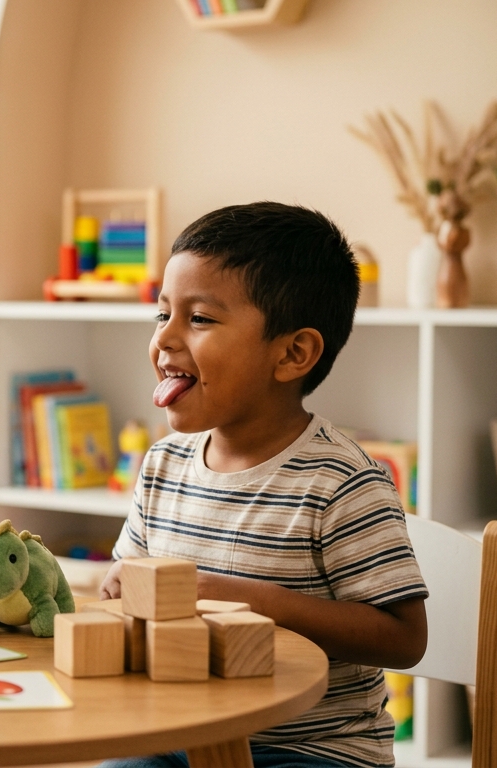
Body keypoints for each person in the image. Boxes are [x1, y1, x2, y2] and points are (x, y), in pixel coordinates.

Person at [98, 203, 429, 768]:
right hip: (181, 731)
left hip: (313, 748)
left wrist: (246, 599)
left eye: (198, 319)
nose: (166, 340)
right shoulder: (161, 465)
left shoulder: (342, 480)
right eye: (162, 315)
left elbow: (402, 638)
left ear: (292, 353)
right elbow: (127, 585)